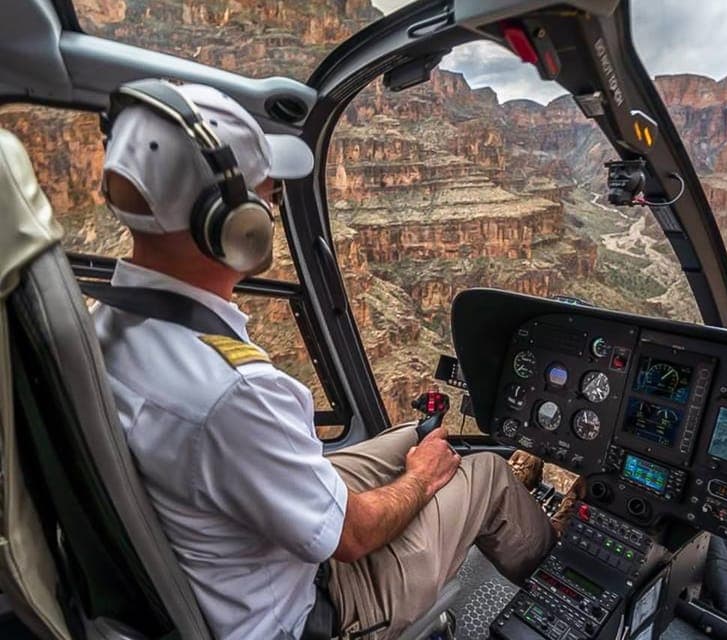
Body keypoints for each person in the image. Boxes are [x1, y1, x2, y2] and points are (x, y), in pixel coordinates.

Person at [93, 82, 559, 640]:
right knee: (484, 474)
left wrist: (415, 465)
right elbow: (354, 537)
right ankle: (569, 589)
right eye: (266, 191)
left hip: (221, 547)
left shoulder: (105, 322)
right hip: (314, 610)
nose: (273, 201)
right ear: (233, 223)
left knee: (413, 437)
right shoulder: (233, 392)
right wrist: (420, 480)